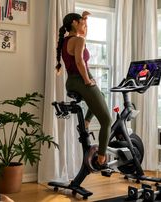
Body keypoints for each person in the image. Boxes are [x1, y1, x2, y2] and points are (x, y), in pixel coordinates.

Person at [55, 12, 112, 168]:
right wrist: (87, 80)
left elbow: (81, 31)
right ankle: (101, 158)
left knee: (100, 95)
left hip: (71, 81)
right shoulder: (79, 40)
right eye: (82, 23)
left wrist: (85, 19)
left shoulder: (67, 40)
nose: (85, 27)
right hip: (81, 80)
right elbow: (80, 61)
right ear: (74, 23)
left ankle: (86, 122)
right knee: (107, 121)